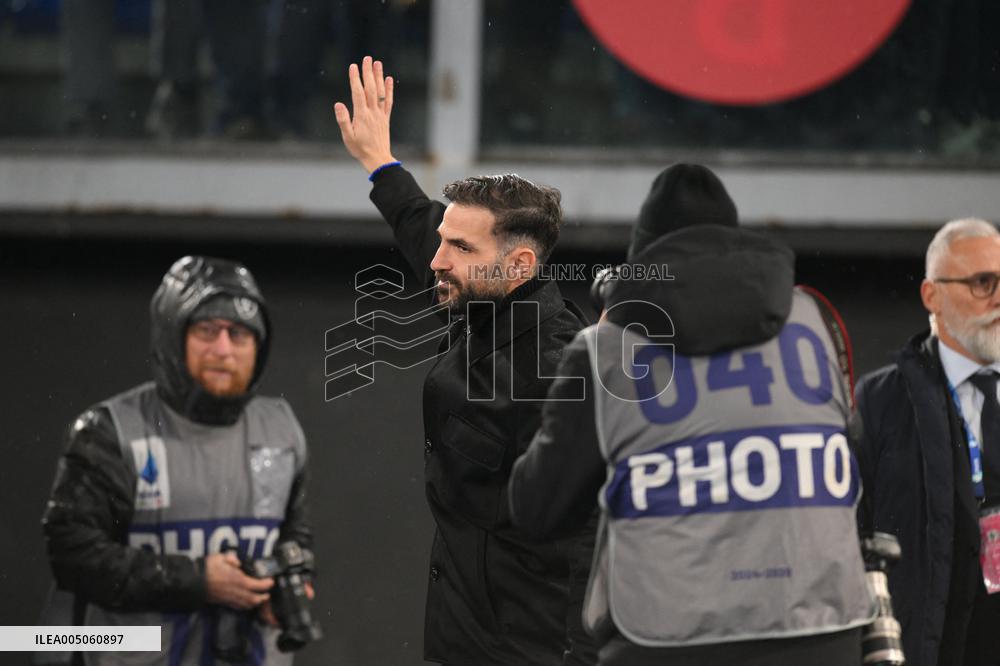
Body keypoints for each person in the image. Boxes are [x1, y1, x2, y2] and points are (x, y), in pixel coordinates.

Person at [508, 164, 876, 665]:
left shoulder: (605, 349)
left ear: (643, 259)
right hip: (822, 631)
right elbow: (850, 468)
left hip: (668, 640)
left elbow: (537, 510)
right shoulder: (815, 320)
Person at [334, 56, 596, 665]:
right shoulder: (483, 293)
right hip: (459, 643)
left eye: (459, 246)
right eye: (445, 240)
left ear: (520, 267)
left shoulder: (558, 375)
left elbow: (594, 539)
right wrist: (380, 162)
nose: (437, 260)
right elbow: (420, 225)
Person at [41, 255, 312, 665]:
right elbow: (74, 556)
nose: (223, 349)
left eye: (239, 334)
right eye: (206, 330)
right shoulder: (109, 431)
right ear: (172, 336)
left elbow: (295, 538)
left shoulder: (282, 431)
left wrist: (286, 587)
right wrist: (198, 580)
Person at [853, 218, 1000, 666]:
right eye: (982, 282)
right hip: (933, 646)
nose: (998, 296)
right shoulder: (879, 402)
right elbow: (856, 532)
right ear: (931, 295)